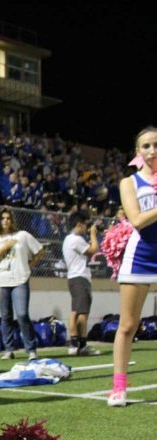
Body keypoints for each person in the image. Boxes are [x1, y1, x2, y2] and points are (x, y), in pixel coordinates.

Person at [110, 126, 157, 406]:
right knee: (128, 325)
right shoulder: (130, 182)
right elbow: (137, 220)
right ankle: (119, 387)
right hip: (140, 256)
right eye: (146, 146)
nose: (153, 151)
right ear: (137, 152)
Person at [0, 208, 44, 360]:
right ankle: (9, 349)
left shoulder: (23, 236)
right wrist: (5, 247)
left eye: (8, 218)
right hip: (2, 280)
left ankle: (31, 349)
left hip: (20, 279)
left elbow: (39, 251)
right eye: (3, 218)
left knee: (22, 314)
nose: (6, 221)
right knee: (5, 316)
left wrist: (30, 266)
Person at [61, 211, 100, 357]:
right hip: (79, 278)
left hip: (74, 277)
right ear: (79, 224)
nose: (87, 228)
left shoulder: (68, 239)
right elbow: (93, 250)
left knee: (76, 311)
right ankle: (80, 344)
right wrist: (93, 235)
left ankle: (74, 343)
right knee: (81, 312)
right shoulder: (76, 239)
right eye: (86, 224)